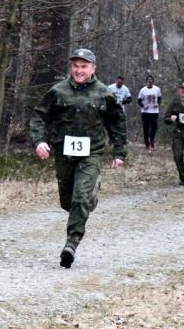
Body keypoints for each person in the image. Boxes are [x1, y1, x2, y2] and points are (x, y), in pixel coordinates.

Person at [30, 48, 127, 269]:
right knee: (68, 202)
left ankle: (71, 243)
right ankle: (91, 194)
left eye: (84, 66)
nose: (79, 70)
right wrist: (39, 141)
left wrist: (119, 152)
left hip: (91, 153)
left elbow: (117, 123)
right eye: (76, 66)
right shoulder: (58, 91)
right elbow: (39, 115)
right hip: (64, 153)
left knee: (80, 197)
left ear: (93, 68)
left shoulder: (104, 94)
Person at [137, 75, 162, 152]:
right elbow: (139, 101)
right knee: (146, 128)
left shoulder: (157, 89)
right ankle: (147, 143)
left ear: (153, 81)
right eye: (148, 80)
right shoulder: (142, 90)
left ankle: (151, 139)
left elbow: (160, 98)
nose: (150, 81)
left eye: (151, 80)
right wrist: (143, 106)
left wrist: (158, 104)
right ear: (146, 81)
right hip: (145, 112)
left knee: (154, 127)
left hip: (154, 111)